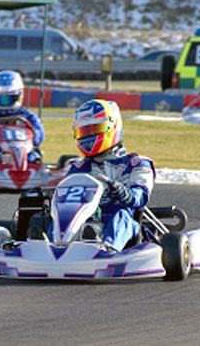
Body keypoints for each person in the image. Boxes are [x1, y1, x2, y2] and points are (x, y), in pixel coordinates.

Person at [65, 99, 156, 252]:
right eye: (84, 132)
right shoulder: (78, 167)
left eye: (94, 129)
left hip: (124, 226)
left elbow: (140, 197)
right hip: (84, 219)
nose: (88, 136)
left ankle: (108, 250)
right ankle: (51, 246)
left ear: (112, 127)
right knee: (55, 216)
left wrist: (125, 194)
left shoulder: (137, 163)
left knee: (121, 215)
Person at [0, 70, 45, 166]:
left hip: (24, 151)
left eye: (8, 99)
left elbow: (39, 136)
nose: (4, 102)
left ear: (18, 96)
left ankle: (33, 169)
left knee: (33, 156)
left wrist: (33, 132)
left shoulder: (28, 116)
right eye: (1, 99)